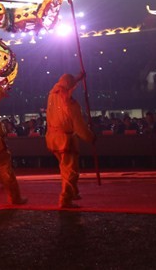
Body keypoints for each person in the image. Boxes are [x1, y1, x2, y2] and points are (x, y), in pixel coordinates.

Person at [45, 72, 95, 209]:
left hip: (53, 138)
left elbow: (67, 84)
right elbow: (78, 125)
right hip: (65, 139)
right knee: (70, 171)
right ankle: (65, 199)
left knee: (65, 168)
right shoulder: (70, 103)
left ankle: (73, 192)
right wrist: (90, 136)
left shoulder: (52, 94)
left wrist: (77, 78)